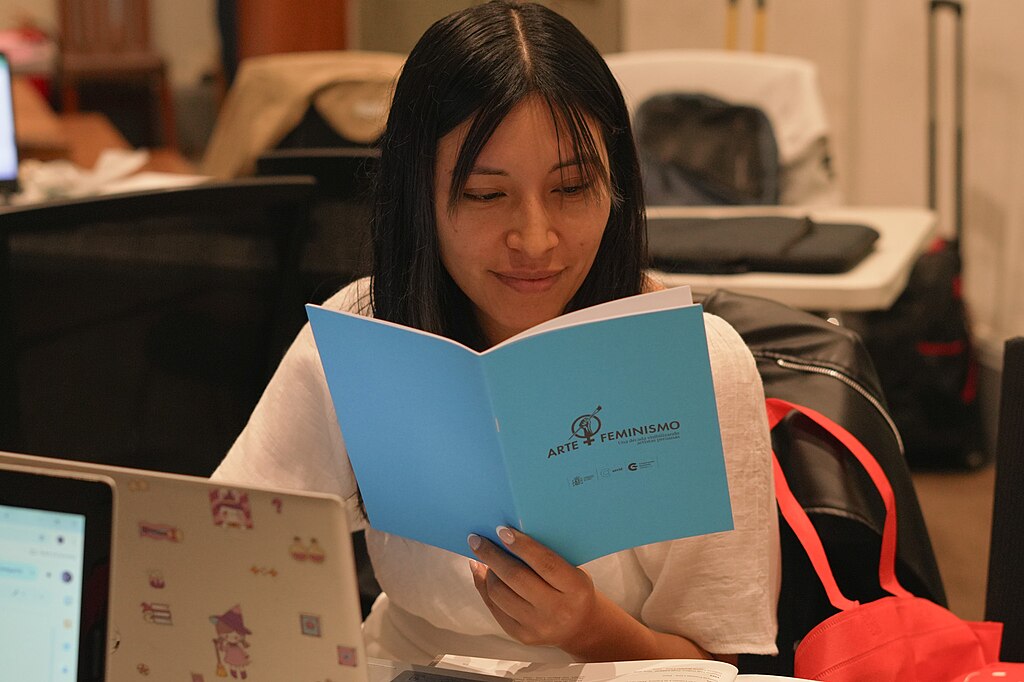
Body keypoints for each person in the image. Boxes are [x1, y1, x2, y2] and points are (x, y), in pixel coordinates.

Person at [213, 0, 779, 666]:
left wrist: (584, 623)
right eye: (486, 195)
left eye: (571, 188)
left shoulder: (693, 364)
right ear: (418, 196)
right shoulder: (366, 337)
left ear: (618, 186)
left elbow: (727, 662)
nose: (535, 238)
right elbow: (229, 542)